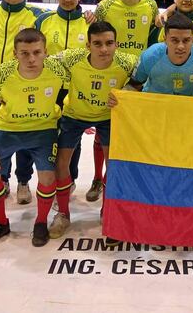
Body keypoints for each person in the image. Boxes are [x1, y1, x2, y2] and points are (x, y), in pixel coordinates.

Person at [47, 21, 138, 238]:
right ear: (88, 45)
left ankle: (108, 210)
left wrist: (125, 90)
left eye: (109, 43)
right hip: (74, 115)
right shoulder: (71, 58)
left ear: (117, 44)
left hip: (107, 117)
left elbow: (141, 80)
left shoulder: (128, 62)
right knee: (61, 162)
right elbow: (41, 63)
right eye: (97, 44)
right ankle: (63, 214)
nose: (104, 49)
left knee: (113, 164)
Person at [0, 29, 67, 248]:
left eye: (37, 52)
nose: (31, 58)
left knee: (47, 178)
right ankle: (0, 223)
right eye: (24, 53)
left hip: (43, 130)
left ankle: (40, 222)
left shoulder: (58, 70)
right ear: (14, 53)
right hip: (7, 130)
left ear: (46, 52)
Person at [0, 0, 47, 203]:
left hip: (22, 87)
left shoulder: (37, 16)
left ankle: (23, 181)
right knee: (0, 138)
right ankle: (3, 178)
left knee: (25, 138)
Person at [35, 0, 94, 202]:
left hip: (78, 91)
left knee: (72, 140)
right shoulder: (43, 21)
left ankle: (69, 181)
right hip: (50, 91)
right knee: (47, 137)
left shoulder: (90, 23)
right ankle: (43, 181)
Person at [122, 13, 193, 97]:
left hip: (190, 104)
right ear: (165, 39)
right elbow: (133, 84)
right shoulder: (150, 56)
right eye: (174, 40)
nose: (181, 46)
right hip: (155, 104)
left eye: (186, 40)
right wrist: (120, 96)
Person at [94, 0, 159, 57]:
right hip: (113, 66)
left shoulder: (151, 5)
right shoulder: (104, 6)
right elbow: (95, 34)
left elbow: (156, 30)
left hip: (140, 66)